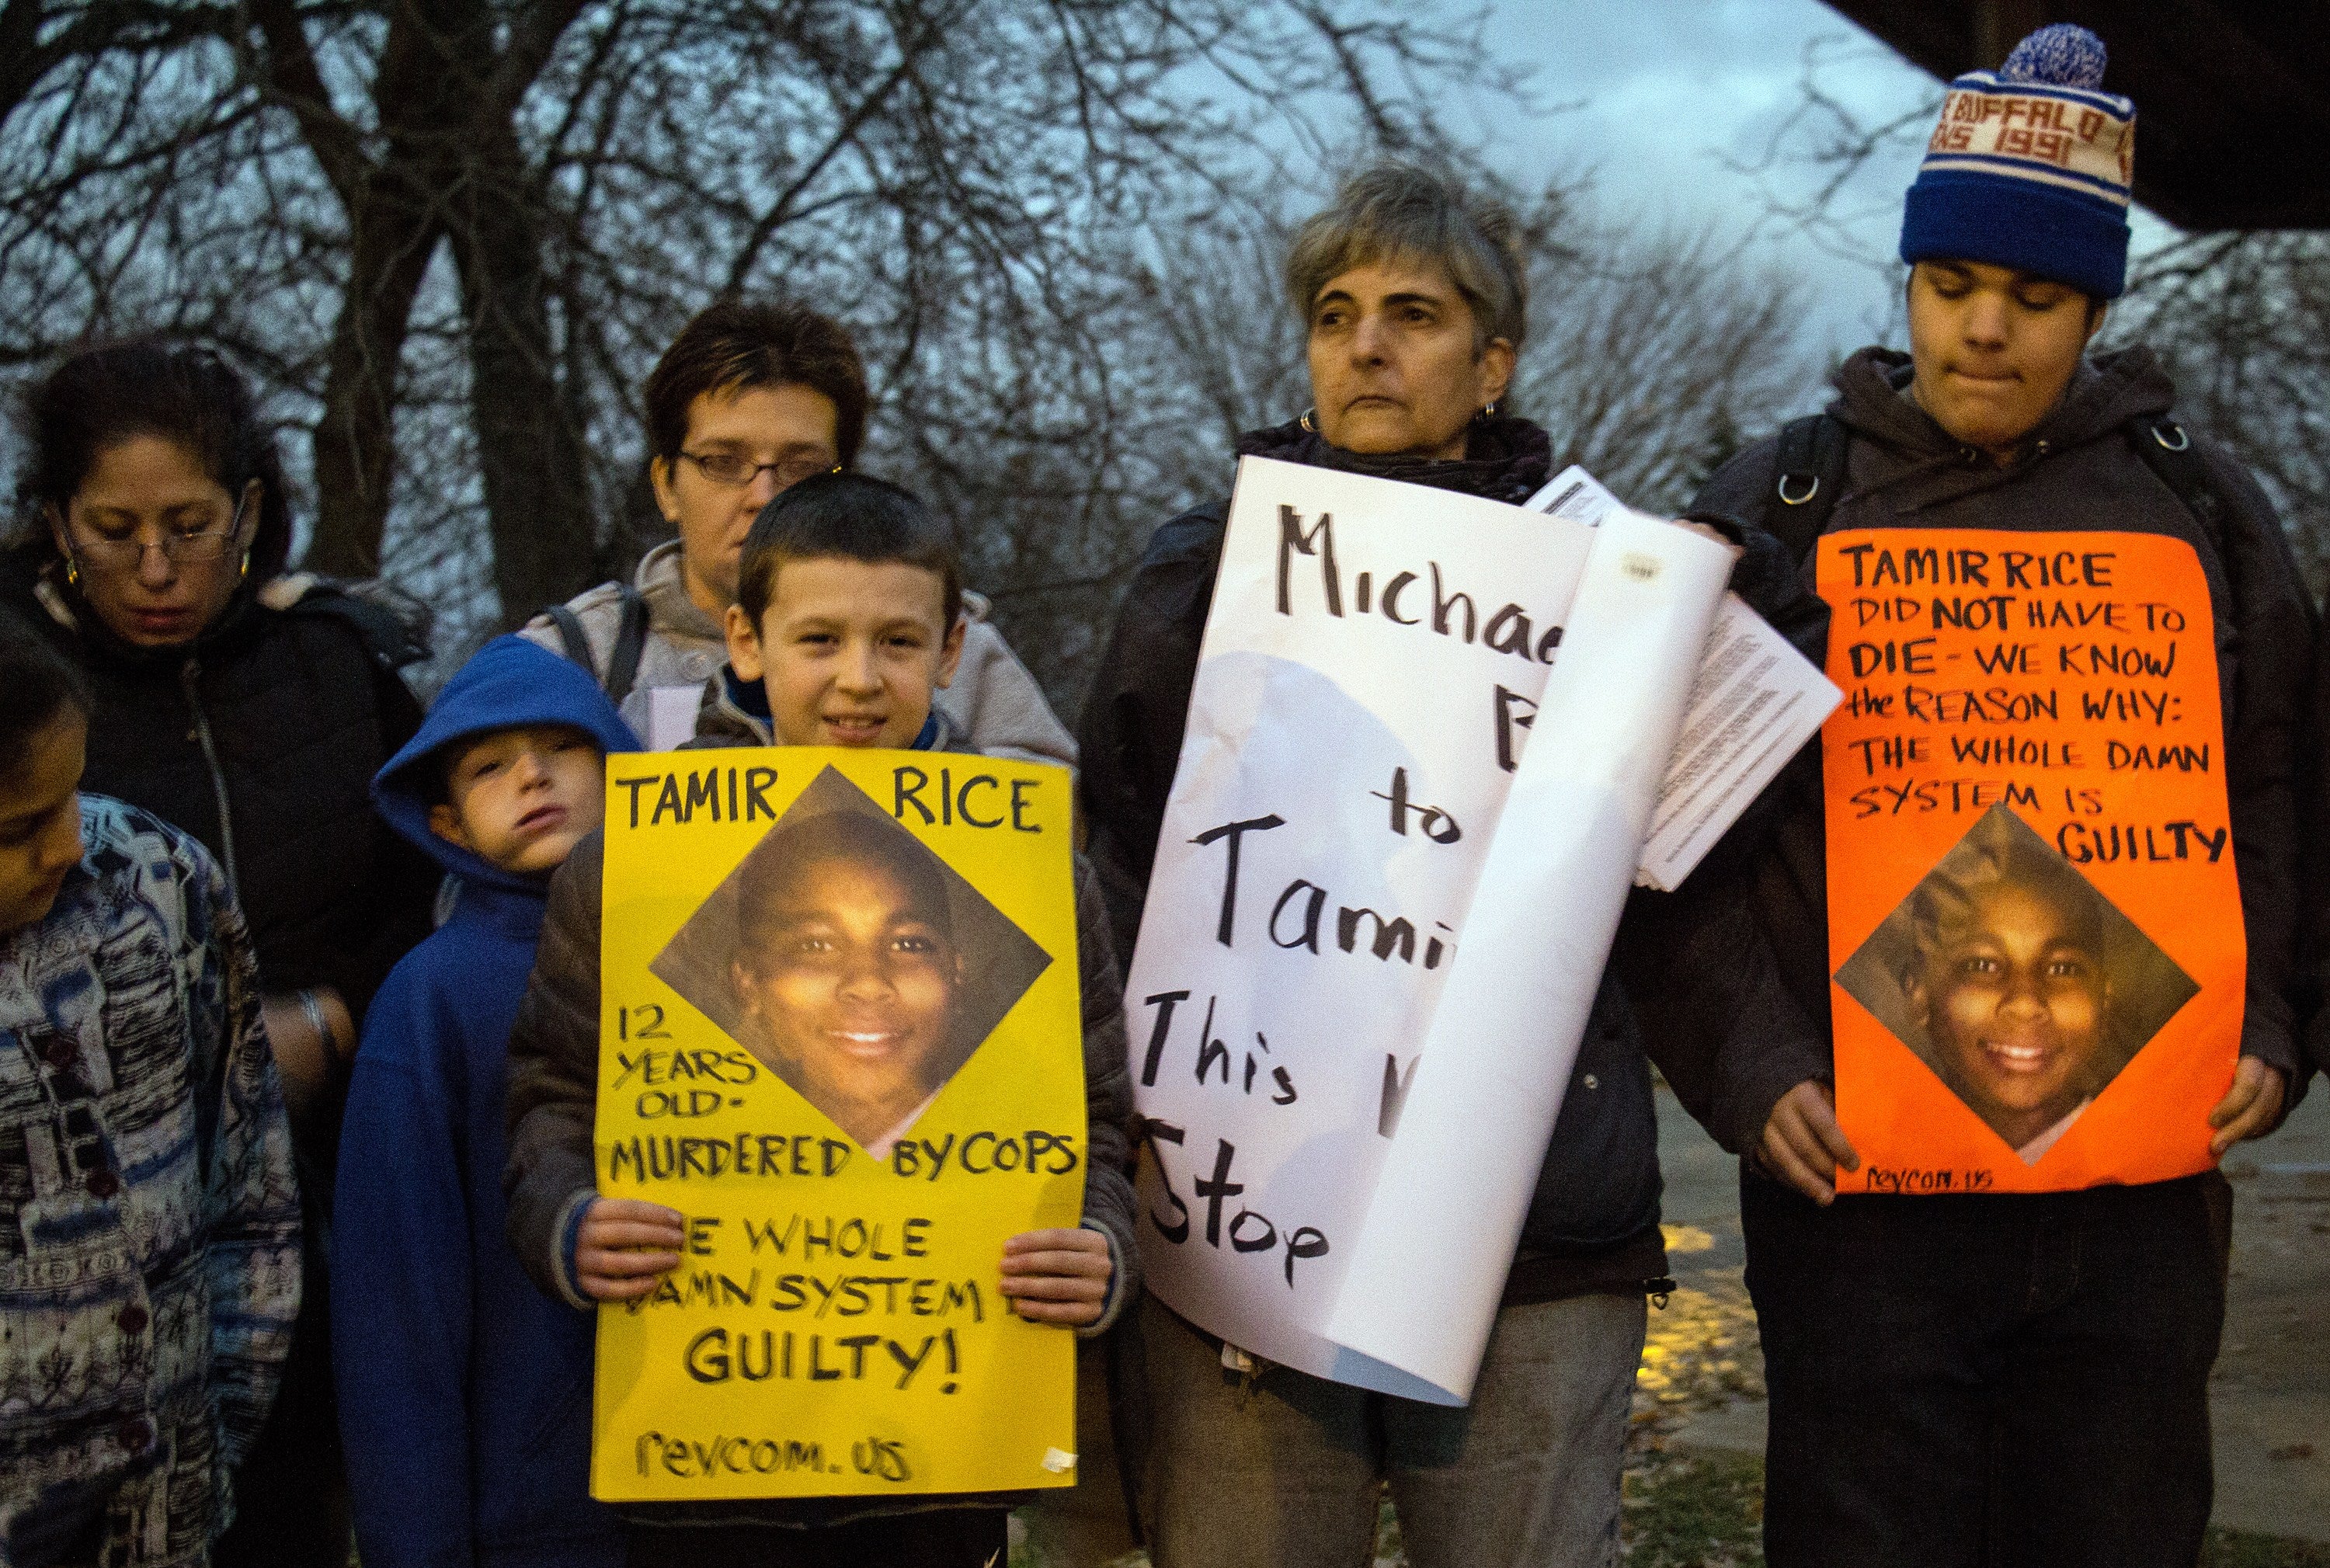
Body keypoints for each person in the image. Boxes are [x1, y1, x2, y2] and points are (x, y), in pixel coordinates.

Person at [1656, 26, 2315, 1566]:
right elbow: (1666, 835)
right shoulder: (1783, 507)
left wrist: (2276, 1023)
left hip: (2137, 1200)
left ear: (2092, 309)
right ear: (1908, 286)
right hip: (1860, 1199)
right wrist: (1753, 1064)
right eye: (1952, 287)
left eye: (2034, 299)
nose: (1986, 332)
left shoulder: (2200, 508)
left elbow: (2283, 778)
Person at [1076, 162, 1673, 1568]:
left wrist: (1732, 593)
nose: (1366, 344)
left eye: (1413, 312)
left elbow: (1675, 876)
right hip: (1247, 1206)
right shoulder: (1203, 567)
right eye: (1335, 313)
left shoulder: (1607, 589)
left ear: (1494, 360)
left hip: (1532, 1230)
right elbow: (1117, 861)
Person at [502, 473, 1139, 1567]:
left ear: (951, 651)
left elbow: (1096, 1115)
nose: (858, 679)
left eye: (898, 641)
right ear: (746, 641)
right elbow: (551, 1090)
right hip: (698, 1457)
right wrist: (570, 1219)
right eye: (819, 638)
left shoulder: (1036, 874)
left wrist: (1100, 1243)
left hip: (941, 1464)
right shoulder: (634, 864)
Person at [1, 338, 440, 1568]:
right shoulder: (13, 678)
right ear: (53, 522)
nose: (155, 567)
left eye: (190, 525)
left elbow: (431, 895)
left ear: (248, 510)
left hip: (322, 1182)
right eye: (113, 527)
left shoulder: (340, 667)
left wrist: (330, 1020)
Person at [0, 614, 302, 1568]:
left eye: (71, 795)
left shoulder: (159, 879)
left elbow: (247, 1170)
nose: (61, 847)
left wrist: (227, 1401)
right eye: (17, 828)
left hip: (165, 1505)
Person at [331, 635, 638, 1568]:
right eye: (489, 765)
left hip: (736, 1490)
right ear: (448, 824)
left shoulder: (727, 956)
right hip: (537, 1516)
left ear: (621, 767)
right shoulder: (430, 998)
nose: (533, 777)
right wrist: (414, 1546)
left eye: (563, 745)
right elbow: (396, 1310)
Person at [522, 299, 1076, 765]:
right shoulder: (575, 659)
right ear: (666, 485)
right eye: (722, 460)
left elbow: (1052, 836)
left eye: (801, 468)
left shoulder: (961, 653)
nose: (764, 496)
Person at [729, 811, 968, 1153]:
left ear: (955, 974)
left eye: (908, 944)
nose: (868, 984)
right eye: (816, 945)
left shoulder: (1033, 1141)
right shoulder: (704, 1153)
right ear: (749, 982)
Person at [1899, 815, 2114, 1163]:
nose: (2026, 1004)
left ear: (2104, 1002)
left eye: (2062, 968)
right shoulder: (1885, 1146)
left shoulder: (2147, 1147)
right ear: (1919, 993)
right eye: (1983, 966)